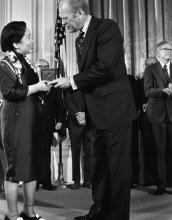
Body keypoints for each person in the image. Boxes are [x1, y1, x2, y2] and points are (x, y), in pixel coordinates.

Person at [49, 1, 137, 219]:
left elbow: (105, 67)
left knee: (117, 170)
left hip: (115, 110)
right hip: (95, 112)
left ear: (80, 13)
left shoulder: (107, 27)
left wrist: (71, 81)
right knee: (98, 168)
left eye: (66, 17)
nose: (63, 22)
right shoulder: (80, 37)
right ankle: (98, 213)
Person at [0, 21, 50, 220]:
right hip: (16, 122)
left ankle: (29, 211)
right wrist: (36, 88)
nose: (32, 40)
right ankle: (11, 214)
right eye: (28, 36)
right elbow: (9, 92)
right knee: (15, 169)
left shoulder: (25, 61)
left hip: (31, 119)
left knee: (31, 166)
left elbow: (31, 86)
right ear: (16, 44)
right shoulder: (4, 65)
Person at [143, 41, 172, 195]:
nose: (169, 51)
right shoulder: (151, 69)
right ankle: (161, 185)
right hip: (158, 114)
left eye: (171, 49)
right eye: (165, 49)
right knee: (160, 151)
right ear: (158, 52)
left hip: (171, 114)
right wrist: (163, 91)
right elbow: (147, 91)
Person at [35, 59, 66, 191]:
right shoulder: (32, 82)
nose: (44, 69)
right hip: (33, 124)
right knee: (34, 154)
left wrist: (60, 120)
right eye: (41, 67)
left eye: (47, 67)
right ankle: (34, 183)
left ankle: (47, 182)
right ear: (36, 68)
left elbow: (60, 104)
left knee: (46, 154)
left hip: (47, 124)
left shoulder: (54, 85)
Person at [64, 89, 92, 189]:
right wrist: (77, 114)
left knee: (89, 152)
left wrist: (86, 115)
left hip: (88, 122)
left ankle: (88, 180)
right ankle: (76, 181)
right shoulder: (69, 84)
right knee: (75, 152)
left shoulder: (87, 83)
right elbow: (67, 100)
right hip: (74, 122)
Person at [137, 57, 157, 186]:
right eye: (147, 65)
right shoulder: (139, 82)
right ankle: (150, 179)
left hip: (163, 120)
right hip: (146, 121)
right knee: (148, 150)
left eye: (152, 65)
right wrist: (143, 104)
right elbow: (136, 99)